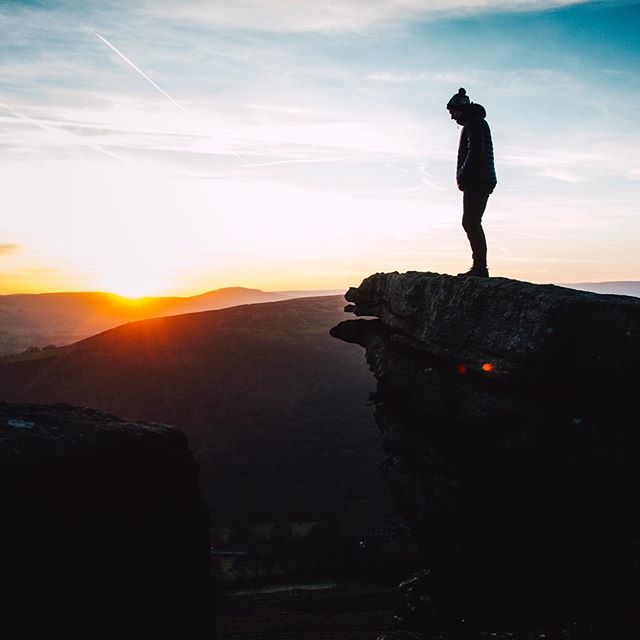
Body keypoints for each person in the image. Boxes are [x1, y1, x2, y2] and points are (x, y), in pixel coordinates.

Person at [446, 88, 497, 277]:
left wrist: (462, 175)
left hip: (478, 180)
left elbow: (475, 151)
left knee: (471, 221)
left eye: (453, 112)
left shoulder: (474, 123)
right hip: (480, 179)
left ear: (462, 108)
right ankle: (479, 267)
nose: (452, 117)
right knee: (471, 221)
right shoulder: (475, 123)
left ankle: (480, 268)